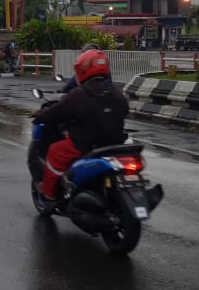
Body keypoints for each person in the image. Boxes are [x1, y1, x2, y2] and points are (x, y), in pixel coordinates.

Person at [33, 49, 129, 203]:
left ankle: (49, 194)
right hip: (115, 144)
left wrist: (40, 116)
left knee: (54, 152)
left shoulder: (81, 94)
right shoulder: (116, 92)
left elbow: (58, 112)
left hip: (86, 145)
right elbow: (125, 110)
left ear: (83, 70)